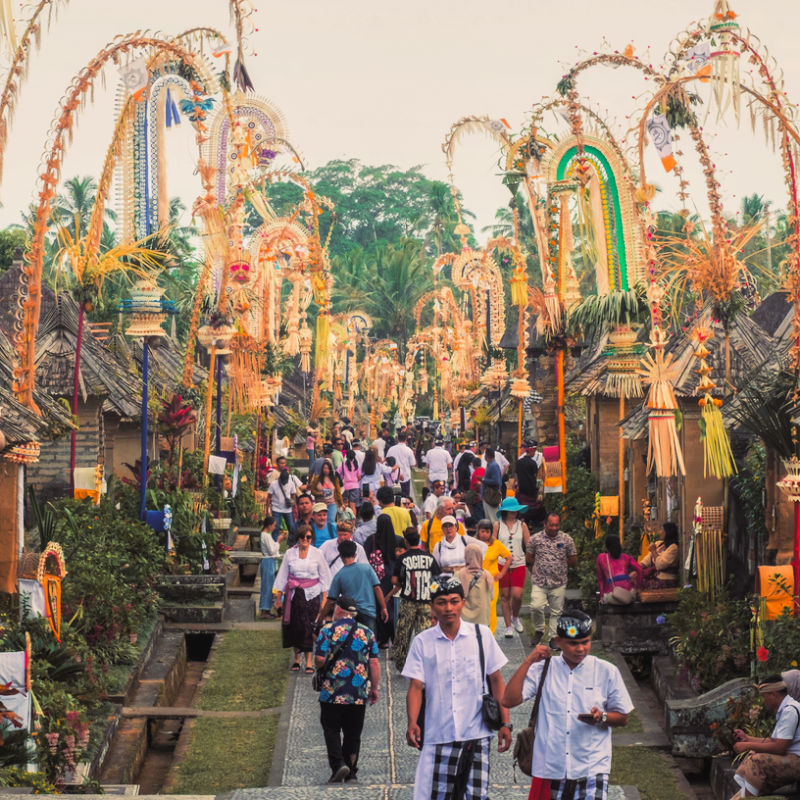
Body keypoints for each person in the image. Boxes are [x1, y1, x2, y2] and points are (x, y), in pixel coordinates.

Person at [503, 610, 633, 800]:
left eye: (585, 642)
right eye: (573, 643)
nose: (580, 648)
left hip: (592, 765)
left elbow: (623, 717)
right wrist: (529, 661)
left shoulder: (606, 671)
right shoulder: (544, 670)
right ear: (559, 642)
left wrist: (602, 717)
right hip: (551, 767)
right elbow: (509, 700)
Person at [402, 575, 512, 800]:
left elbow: (496, 680)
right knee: (438, 794)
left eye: (454, 601)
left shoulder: (482, 636)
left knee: (475, 795)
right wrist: (412, 722)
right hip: (438, 734)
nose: (448, 608)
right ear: (432, 606)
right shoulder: (422, 642)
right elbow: (415, 686)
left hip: (477, 734)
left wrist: (505, 722)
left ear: (463, 601)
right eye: (441, 602)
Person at [315, 594, 380, 783]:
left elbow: (319, 660)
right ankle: (351, 770)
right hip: (358, 693)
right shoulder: (367, 633)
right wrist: (374, 688)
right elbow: (374, 663)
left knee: (331, 729)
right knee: (353, 733)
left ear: (338, 610)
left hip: (332, 692)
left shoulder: (327, 631)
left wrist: (321, 665)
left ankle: (338, 765)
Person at [274, 523, 332, 674]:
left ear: (312, 538)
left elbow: (325, 577)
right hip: (294, 595)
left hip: (312, 595)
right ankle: (297, 659)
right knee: (295, 626)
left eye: (308, 537)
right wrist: (278, 598)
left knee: (309, 627)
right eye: (302, 537)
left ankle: (308, 661)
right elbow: (283, 575)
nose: (305, 540)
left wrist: (324, 600)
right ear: (298, 538)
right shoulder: (289, 554)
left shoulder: (317, 553)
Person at [731, 675, 800, 799]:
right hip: (791, 759)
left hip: (796, 761)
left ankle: (748, 798)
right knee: (753, 755)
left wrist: (747, 745)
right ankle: (745, 795)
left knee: (756, 760)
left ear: (773, 695)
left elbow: (780, 747)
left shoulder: (790, 711)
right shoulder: (786, 709)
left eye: (764, 696)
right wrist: (747, 738)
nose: (763, 700)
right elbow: (773, 741)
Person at [389, 528, 440, 672]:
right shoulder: (429, 558)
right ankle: (426, 664)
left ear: (406, 541)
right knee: (424, 633)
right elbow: (437, 579)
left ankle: (401, 664)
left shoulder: (403, 558)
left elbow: (394, 580)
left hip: (408, 600)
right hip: (426, 600)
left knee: (403, 633)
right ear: (418, 541)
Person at [527, 512, 578, 648]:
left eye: (557, 525)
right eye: (552, 525)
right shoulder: (535, 539)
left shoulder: (566, 539)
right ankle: (539, 630)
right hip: (540, 581)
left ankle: (553, 638)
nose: (555, 528)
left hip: (558, 581)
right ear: (545, 525)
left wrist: (559, 566)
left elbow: (573, 559)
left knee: (556, 611)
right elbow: (529, 557)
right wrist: (540, 566)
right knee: (536, 606)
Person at [317, 541, 389, 634]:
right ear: (355, 555)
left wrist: (321, 618)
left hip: (349, 614)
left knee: (350, 643)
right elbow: (377, 588)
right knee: (368, 642)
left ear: (340, 556)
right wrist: (384, 608)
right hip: (368, 613)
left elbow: (330, 601)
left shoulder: (339, 576)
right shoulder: (367, 568)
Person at [494, 497, 531, 637]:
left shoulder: (522, 525)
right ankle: (508, 626)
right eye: (511, 510)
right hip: (501, 563)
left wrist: (531, 558)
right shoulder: (497, 525)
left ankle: (515, 617)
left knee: (517, 594)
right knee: (505, 596)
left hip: (518, 562)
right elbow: (493, 544)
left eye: (516, 510)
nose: (514, 512)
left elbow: (529, 544)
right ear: (505, 511)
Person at [364, 514, 400, 648]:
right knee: (392, 608)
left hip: (377, 578)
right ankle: (394, 637)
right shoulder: (397, 539)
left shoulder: (371, 540)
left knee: (379, 606)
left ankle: (383, 638)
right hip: (394, 579)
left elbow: (366, 558)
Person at [475, 519, 510, 635]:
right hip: (477, 580)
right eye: (482, 531)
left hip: (492, 581)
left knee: (490, 606)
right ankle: (480, 631)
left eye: (487, 532)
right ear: (478, 531)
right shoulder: (473, 543)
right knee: (479, 607)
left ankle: (491, 633)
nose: (484, 534)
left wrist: (501, 573)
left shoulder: (496, 544)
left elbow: (509, 557)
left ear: (491, 532)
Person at [457, 543, 495, 628]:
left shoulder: (459, 574)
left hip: (464, 621)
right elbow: (492, 596)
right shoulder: (487, 575)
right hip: (483, 620)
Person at [597, 535, 643, 604]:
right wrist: (639, 587)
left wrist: (601, 596)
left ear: (607, 547)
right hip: (628, 596)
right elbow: (640, 570)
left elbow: (601, 579)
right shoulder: (626, 557)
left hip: (611, 596)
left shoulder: (601, 558)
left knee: (606, 598)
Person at [639, 521, 680, 589]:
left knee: (641, 584)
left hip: (666, 581)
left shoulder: (673, 548)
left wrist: (653, 551)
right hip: (655, 577)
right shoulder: (659, 544)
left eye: (662, 530)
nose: (660, 532)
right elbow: (647, 559)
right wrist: (637, 568)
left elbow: (660, 565)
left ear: (668, 532)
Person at [515, 439, 546, 528]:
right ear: (532, 451)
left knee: (523, 508)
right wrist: (540, 490)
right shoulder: (533, 463)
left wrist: (517, 485)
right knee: (536, 507)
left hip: (522, 490)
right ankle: (535, 522)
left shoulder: (519, 461)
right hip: (532, 490)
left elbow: (516, 474)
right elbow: (537, 477)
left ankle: (524, 523)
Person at [259, 516, 285, 618]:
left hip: (270, 561)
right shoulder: (265, 535)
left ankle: (267, 609)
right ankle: (264, 610)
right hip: (268, 561)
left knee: (270, 587)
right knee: (267, 586)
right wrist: (278, 541)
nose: (274, 527)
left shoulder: (266, 536)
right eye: (274, 525)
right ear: (269, 525)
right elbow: (272, 551)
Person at [268, 468, 301, 543]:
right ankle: (274, 544)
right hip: (276, 508)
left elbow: (293, 494)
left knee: (292, 527)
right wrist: (268, 509)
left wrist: (294, 504)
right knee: (275, 528)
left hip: (287, 509)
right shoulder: (274, 484)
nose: (284, 483)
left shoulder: (291, 483)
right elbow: (269, 497)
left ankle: (293, 543)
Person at [310, 460, 343, 528]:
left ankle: (332, 535)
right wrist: (319, 493)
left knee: (331, 521)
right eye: (324, 468)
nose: (326, 470)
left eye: (327, 468)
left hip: (332, 503)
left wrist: (341, 503)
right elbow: (312, 491)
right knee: (321, 521)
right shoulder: (317, 478)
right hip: (320, 504)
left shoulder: (335, 479)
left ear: (330, 469)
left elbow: (338, 492)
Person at [385, 431, 416, 497]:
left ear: (397, 439)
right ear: (406, 439)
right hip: (405, 477)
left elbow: (386, 461)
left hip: (393, 479)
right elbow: (413, 464)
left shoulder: (391, 449)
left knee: (394, 498)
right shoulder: (408, 450)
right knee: (405, 498)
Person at [481, 447, 503, 524]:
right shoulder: (490, 465)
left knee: (493, 520)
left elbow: (497, 481)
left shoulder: (493, 466)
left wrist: (483, 480)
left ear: (486, 456)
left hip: (491, 496)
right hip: (488, 496)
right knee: (489, 519)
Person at [338, 448, 363, 515]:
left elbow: (337, 473)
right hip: (355, 486)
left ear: (346, 456)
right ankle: (353, 522)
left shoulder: (342, 464)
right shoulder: (356, 465)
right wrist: (355, 481)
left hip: (345, 487)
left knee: (345, 505)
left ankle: (345, 520)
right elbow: (359, 477)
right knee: (353, 506)